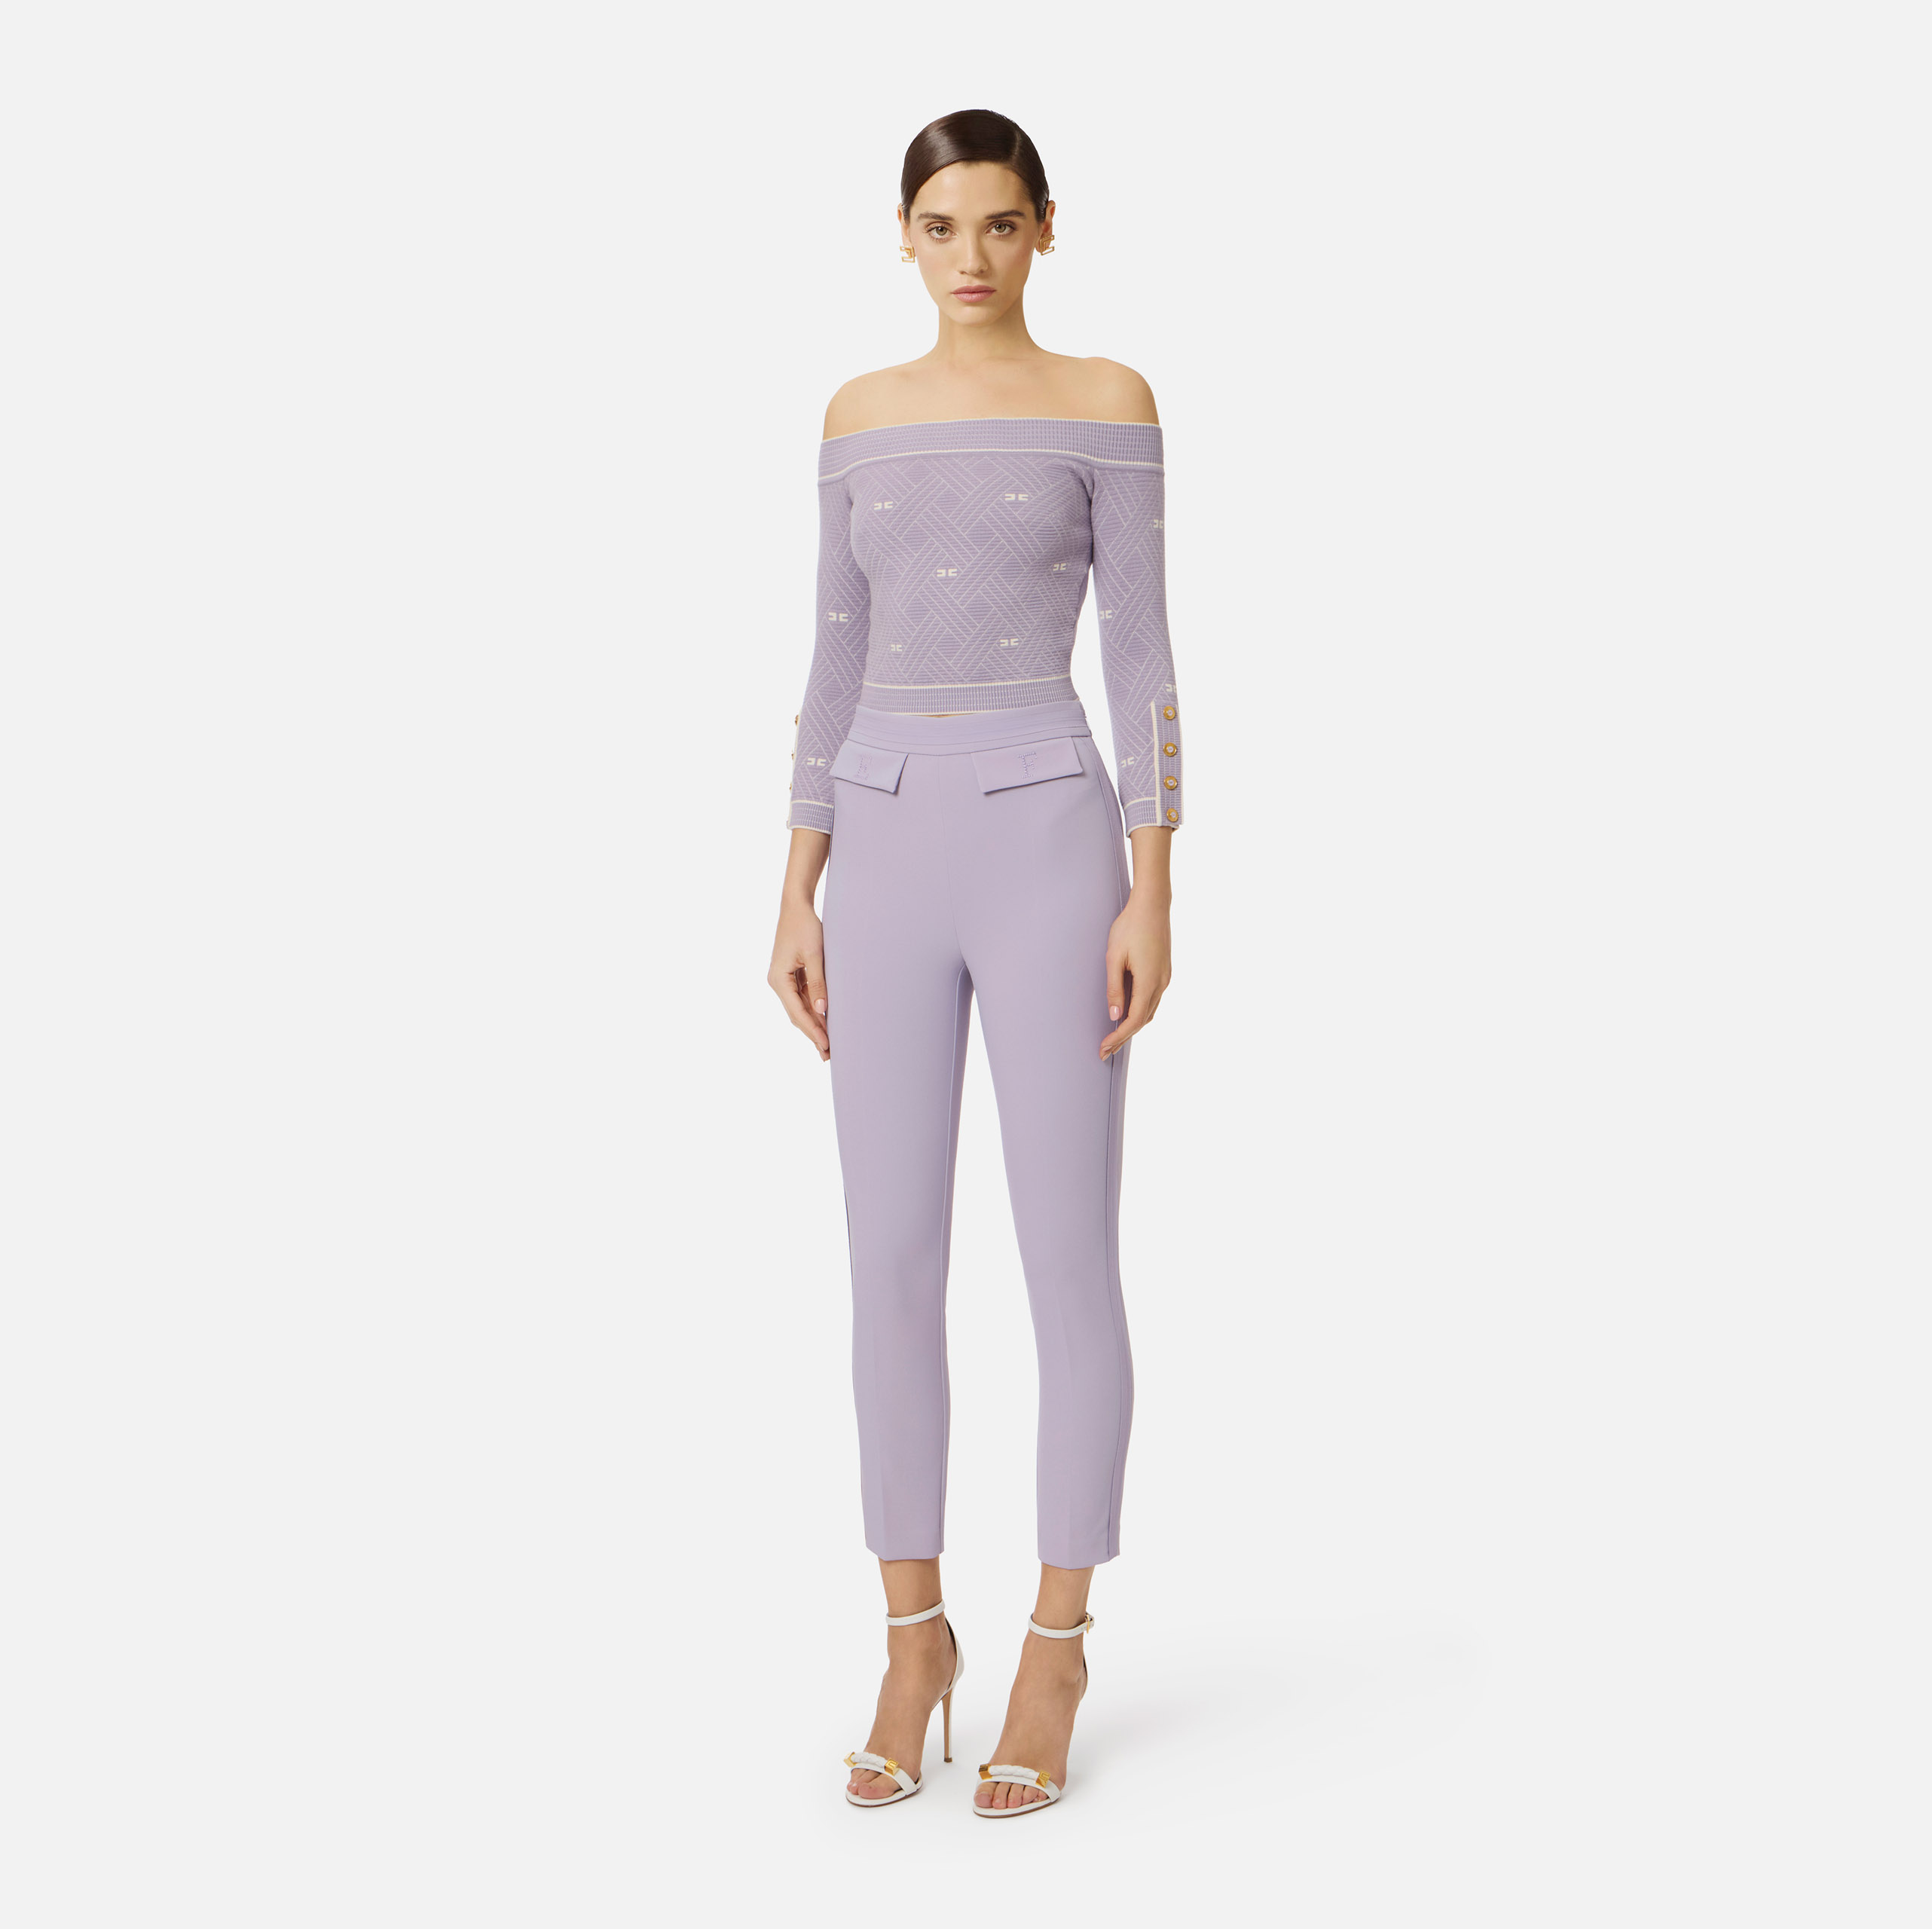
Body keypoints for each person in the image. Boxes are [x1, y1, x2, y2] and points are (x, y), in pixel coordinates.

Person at [766, 107, 1183, 1817]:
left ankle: (1056, 1642)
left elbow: (1144, 654)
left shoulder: (1107, 401)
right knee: (888, 1258)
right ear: (903, 234)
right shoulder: (856, 417)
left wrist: (1151, 889)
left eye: (999, 225)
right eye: (940, 227)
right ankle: (911, 1634)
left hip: (1047, 848)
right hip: (876, 850)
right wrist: (794, 887)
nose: (970, 258)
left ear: (1044, 229)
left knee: (1065, 1255)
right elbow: (832, 657)